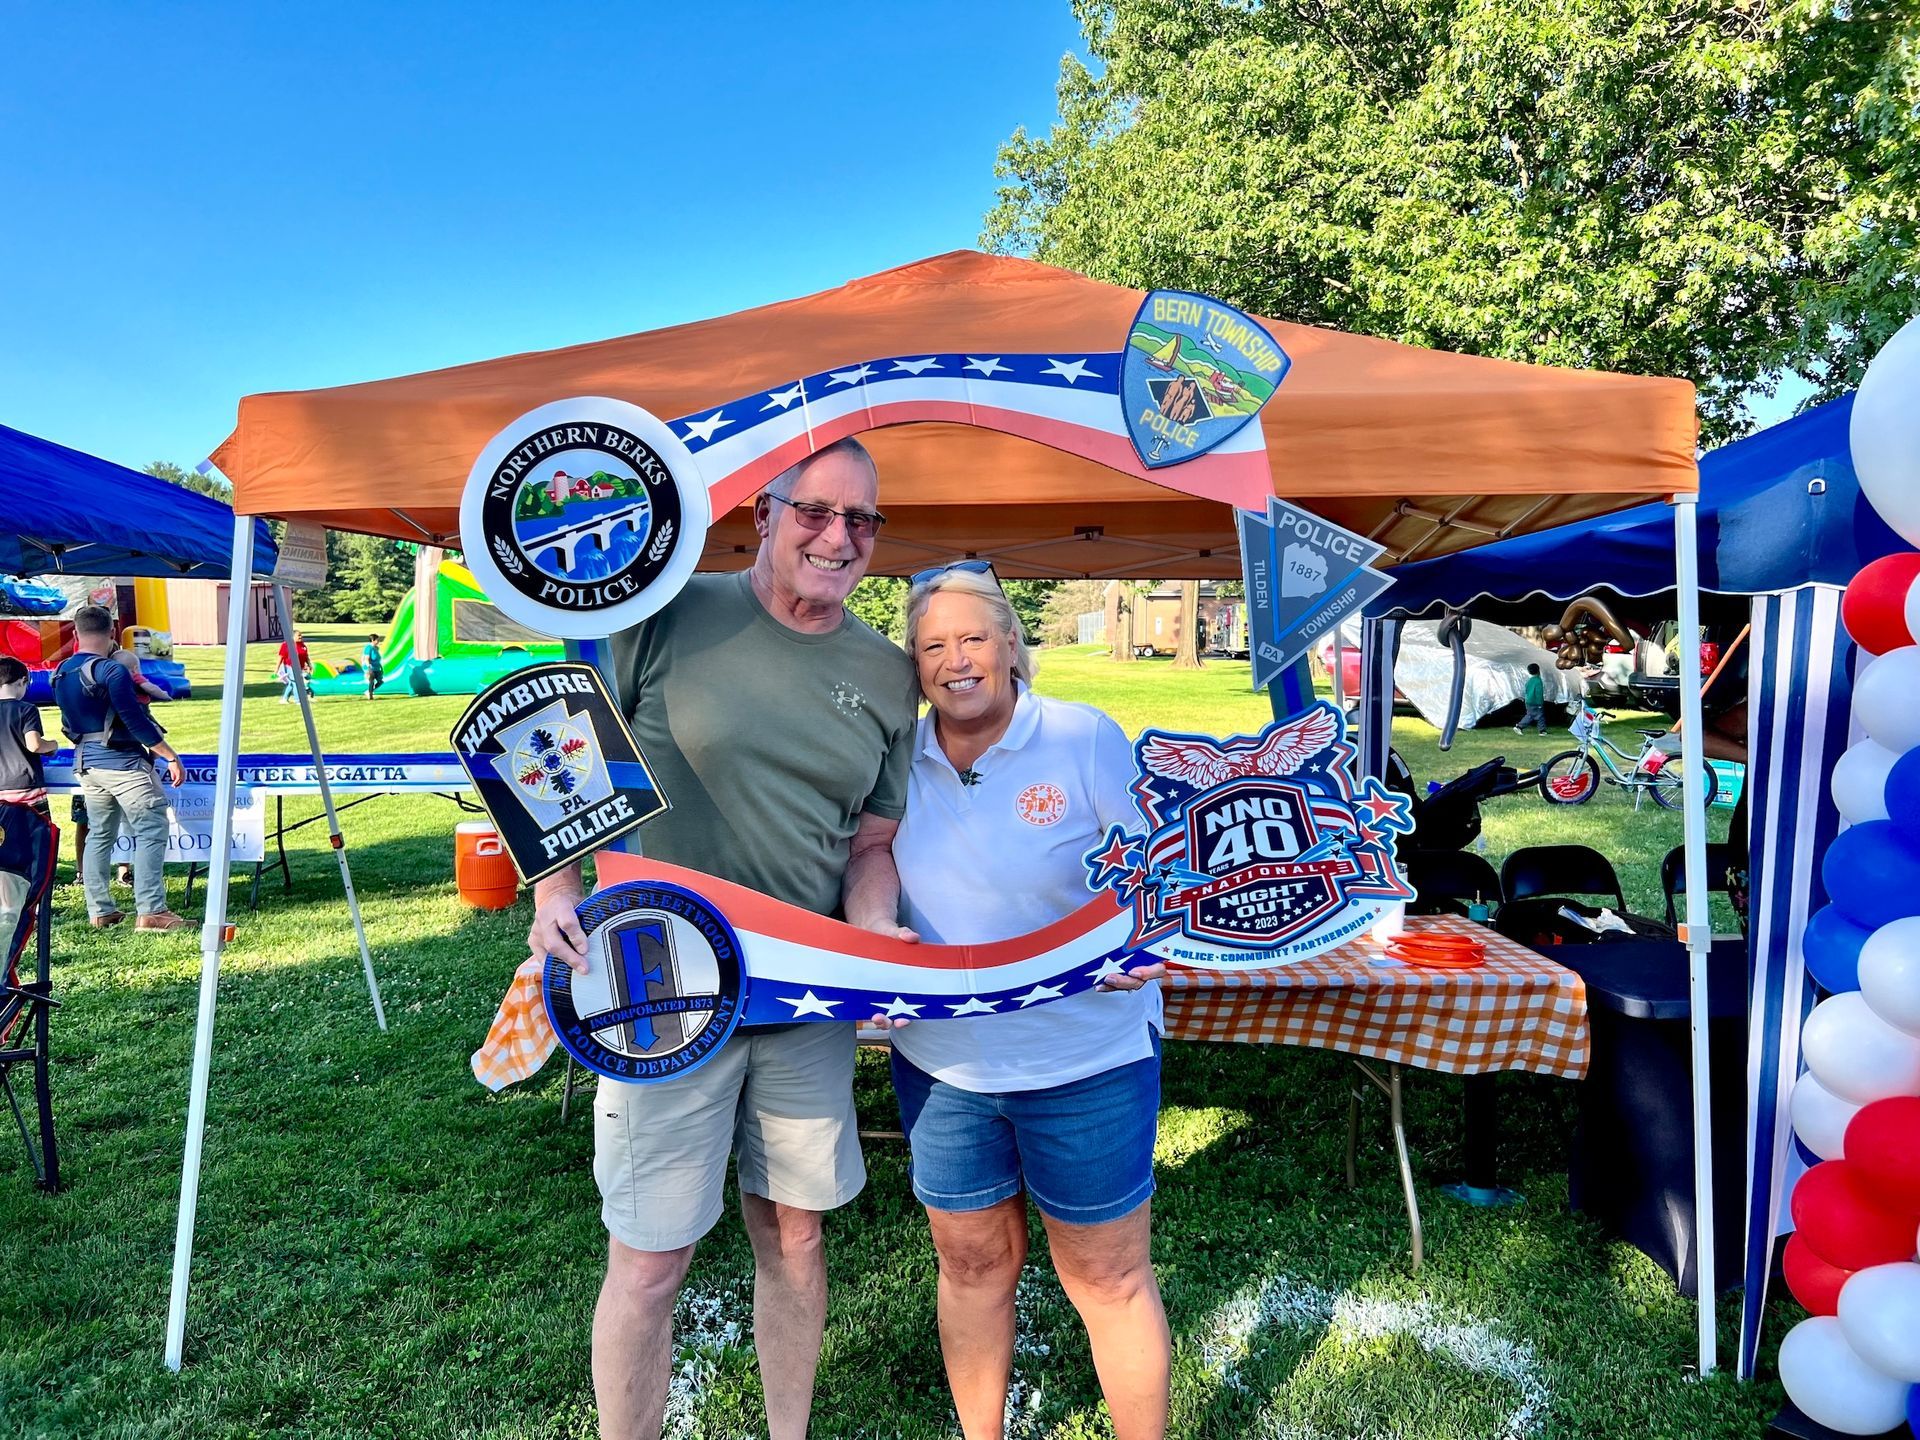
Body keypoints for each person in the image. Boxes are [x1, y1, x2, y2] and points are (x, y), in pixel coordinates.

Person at [526, 436, 916, 1440]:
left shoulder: (884, 672)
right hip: (655, 988)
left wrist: (876, 937)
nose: (840, 538)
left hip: (804, 1002)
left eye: (862, 520)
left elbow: (871, 845)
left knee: (794, 1239)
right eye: (817, 512)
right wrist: (554, 887)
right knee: (649, 1260)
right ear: (764, 516)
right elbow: (556, 746)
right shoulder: (663, 613)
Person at [880, 564, 1171, 1440]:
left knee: (1107, 1276)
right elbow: (867, 854)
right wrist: (872, 944)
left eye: (973, 638)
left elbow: (1156, 873)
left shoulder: (1083, 737)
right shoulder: (899, 750)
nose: (955, 661)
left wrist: (1140, 941)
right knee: (970, 1263)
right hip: (946, 1065)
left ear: (1012, 644)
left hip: (1086, 1059)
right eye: (932, 646)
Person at [51, 606, 188, 932]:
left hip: (86, 762)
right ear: (113, 632)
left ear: (75, 634)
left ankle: (100, 909)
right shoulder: (112, 671)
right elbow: (135, 720)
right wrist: (169, 755)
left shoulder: (60, 672)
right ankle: (152, 911)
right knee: (151, 829)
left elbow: (67, 725)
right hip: (123, 763)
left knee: (100, 834)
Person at [0, 656, 56, 944]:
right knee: (33, 862)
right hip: (27, 796)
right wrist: (53, 745)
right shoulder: (26, 709)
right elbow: (34, 744)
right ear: (23, 682)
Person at [277, 631, 311, 704]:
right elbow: (281, 657)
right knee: (296, 682)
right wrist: (276, 669)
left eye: (301, 635)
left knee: (291, 683)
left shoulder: (302, 645)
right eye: (298, 636)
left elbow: (306, 657)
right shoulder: (286, 645)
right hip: (289, 666)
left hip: (300, 667)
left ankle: (284, 699)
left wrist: (309, 665)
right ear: (293, 637)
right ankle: (298, 700)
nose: (300, 637)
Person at [1515, 662, 1548, 734]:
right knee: (1539, 716)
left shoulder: (1529, 681)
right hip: (1536, 702)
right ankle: (1520, 726)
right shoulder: (1538, 681)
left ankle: (1542, 730)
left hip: (1528, 701)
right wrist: (1540, 702)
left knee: (1531, 715)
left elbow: (1526, 691)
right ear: (1539, 671)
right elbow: (1539, 693)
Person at [361, 634, 384, 701]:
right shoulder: (368, 647)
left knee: (380, 681)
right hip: (370, 667)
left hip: (377, 667)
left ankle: (368, 691)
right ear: (372, 640)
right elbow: (366, 659)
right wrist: (369, 668)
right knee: (371, 681)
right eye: (377, 640)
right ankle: (370, 696)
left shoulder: (376, 648)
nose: (378, 641)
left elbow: (378, 659)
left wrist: (381, 668)